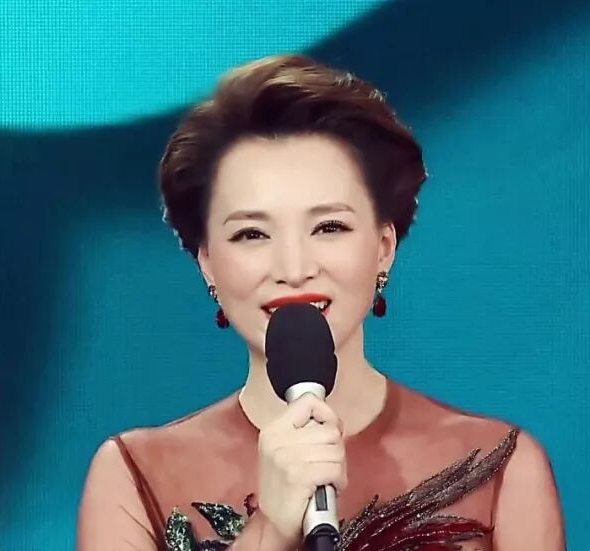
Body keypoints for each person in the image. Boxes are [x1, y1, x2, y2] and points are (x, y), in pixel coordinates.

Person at [76, 54, 564, 551]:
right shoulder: (135, 475)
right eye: (251, 234)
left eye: (329, 227)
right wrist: (270, 529)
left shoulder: (501, 470)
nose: (293, 268)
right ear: (208, 263)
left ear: (383, 248)